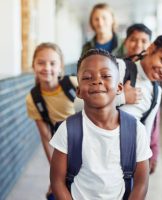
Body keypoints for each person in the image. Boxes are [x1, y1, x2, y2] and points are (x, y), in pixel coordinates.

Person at [50, 49, 152, 200]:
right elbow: (57, 181)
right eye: (87, 77)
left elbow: (141, 183)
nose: (97, 81)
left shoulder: (136, 130)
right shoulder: (68, 129)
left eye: (106, 76)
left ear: (119, 88)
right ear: (78, 91)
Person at [117, 34, 162, 167]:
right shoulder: (120, 68)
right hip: (96, 149)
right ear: (151, 48)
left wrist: (147, 158)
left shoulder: (156, 92)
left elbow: (147, 130)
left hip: (125, 159)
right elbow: (80, 104)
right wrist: (121, 97)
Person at [26, 42, 78, 200]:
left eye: (52, 63)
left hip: (86, 142)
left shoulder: (74, 84)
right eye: (41, 63)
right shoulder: (33, 99)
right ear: (33, 65)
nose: (47, 68)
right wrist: (55, 175)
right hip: (62, 149)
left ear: (60, 66)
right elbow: (46, 137)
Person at [117, 23, 159, 174]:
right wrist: (122, 97)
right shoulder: (115, 68)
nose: (138, 45)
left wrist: (153, 151)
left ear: (150, 46)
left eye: (143, 41)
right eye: (133, 39)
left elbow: (152, 120)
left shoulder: (152, 80)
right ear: (125, 42)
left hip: (135, 150)